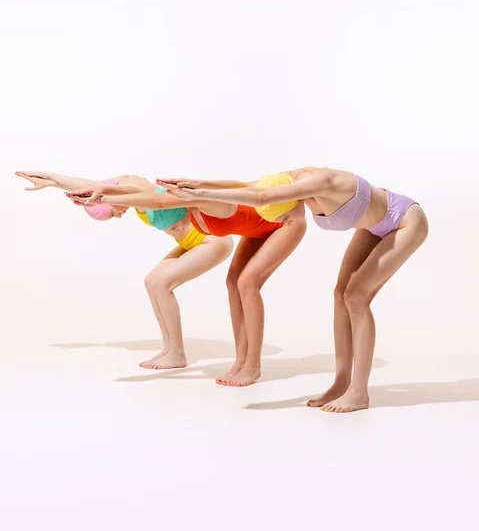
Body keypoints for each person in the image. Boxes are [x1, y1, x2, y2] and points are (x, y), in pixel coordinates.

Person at [155, 167, 428, 412]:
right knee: (339, 295)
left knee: (356, 297)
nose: (286, 222)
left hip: (404, 221)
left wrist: (199, 194)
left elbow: (261, 199)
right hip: (373, 225)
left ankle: (359, 392)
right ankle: (341, 382)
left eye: (284, 216)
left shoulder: (319, 181)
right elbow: (247, 186)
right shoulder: (289, 180)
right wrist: (200, 183)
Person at [68, 174, 307, 387]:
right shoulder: (185, 208)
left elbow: (160, 200)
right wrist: (77, 188)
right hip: (257, 229)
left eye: (174, 227)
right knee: (232, 284)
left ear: (183, 217)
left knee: (247, 284)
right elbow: (150, 199)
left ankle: (252, 366)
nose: (174, 232)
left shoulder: (206, 206)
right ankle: (240, 362)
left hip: (285, 224)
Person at [15, 170, 233, 370]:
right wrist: (52, 181)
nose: (118, 216)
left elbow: (100, 188)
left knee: (161, 283)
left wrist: (54, 179)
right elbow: (90, 185)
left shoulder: (140, 194)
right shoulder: (127, 186)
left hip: (212, 241)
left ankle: (177, 354)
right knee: (152, 282)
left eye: (112, 214)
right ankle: (169, 349)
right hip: (191, 242)